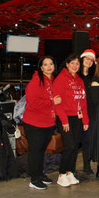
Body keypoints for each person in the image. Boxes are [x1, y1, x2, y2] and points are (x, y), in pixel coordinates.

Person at [52, 54, 89, 187]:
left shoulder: (79, 80)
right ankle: (61, 174)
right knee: (70, 146)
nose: (75, 66)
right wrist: (63, 120)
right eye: (72, 63)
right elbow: (57, 102)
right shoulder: (61, 79)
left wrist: (85, 120)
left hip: (77, 118)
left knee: (75, 146)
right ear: (67, 64)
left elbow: (83, 101)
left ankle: (70, 172)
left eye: (77, 64)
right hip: (65, 118)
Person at [23, 56, 60, 190]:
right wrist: (51, 103)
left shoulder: (52, 80)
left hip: (48, 122)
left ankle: (40, 174)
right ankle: (34, 179)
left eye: (51, 64)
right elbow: (32, 102)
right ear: (41, 67)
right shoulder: (37, 81)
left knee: (41, 151)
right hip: (34, 123)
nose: (49, 67)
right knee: (35, 151)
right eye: (45, 64)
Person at [78, 49, 96, 176]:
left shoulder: (93, 77)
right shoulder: (75, 75)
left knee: (87, 141)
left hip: (89, 112)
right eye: (87, 58)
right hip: (75, 112)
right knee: (73, 143)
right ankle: (69, 169)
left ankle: (86, 165)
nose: (89, 61)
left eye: (91, 59)